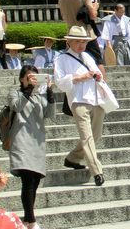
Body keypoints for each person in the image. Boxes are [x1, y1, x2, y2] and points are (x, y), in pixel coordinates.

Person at [54, 25, 107, 186]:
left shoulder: (88, 56)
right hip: (78, 100)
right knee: (87, 136)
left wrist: (97, 76)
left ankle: (73, 158)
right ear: (69, 42)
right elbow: (60, 83)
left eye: (83, 41)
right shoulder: (61, 59)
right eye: (77, 41)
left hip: (95, 99)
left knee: (95, 135)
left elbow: (98, 75)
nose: (80, 45)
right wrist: (79, 77)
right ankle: (96, 171)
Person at [8, 65, 56, 229]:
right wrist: (28, 90)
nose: (32, 79)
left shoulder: (39, 96)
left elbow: (50, 114)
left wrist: (50, 95)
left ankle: (27, 220)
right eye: (29, 77)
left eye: (35, 77)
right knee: (27, 179)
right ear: (22, 79)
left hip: (37, 140)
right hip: (20, 140)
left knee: (34, 181)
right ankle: (31, 220)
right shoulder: (15, 93)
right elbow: (16, 107)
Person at [58, 0, 106, 80]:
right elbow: (93, 15)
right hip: (85, 33)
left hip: (71, 33)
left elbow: (63, 16)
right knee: (97, 60)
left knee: (73, 60)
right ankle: (103, 84)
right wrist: (95, 7)